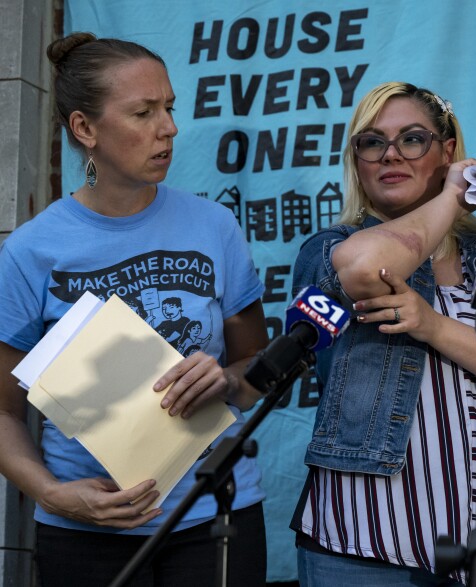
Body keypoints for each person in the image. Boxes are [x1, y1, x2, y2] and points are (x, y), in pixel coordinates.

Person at [0, 32, 269, 586]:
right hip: (85, 532)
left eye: (170, 108)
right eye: (144, 112)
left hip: (215, 514)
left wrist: (224, 379)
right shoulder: (30, 250)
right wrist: (53, 494)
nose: (168, 128)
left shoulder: (214, 226)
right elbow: (3, 411)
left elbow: (258, 369)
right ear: (85, 129)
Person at [291, 82, 476, 586]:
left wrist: (433, 326)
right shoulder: (330, 248)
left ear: (447, 152)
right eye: (372, 142)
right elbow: (367, 270)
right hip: (367, 539)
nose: (390, 155)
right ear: (356, 159)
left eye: (413, 139)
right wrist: (451, 196)